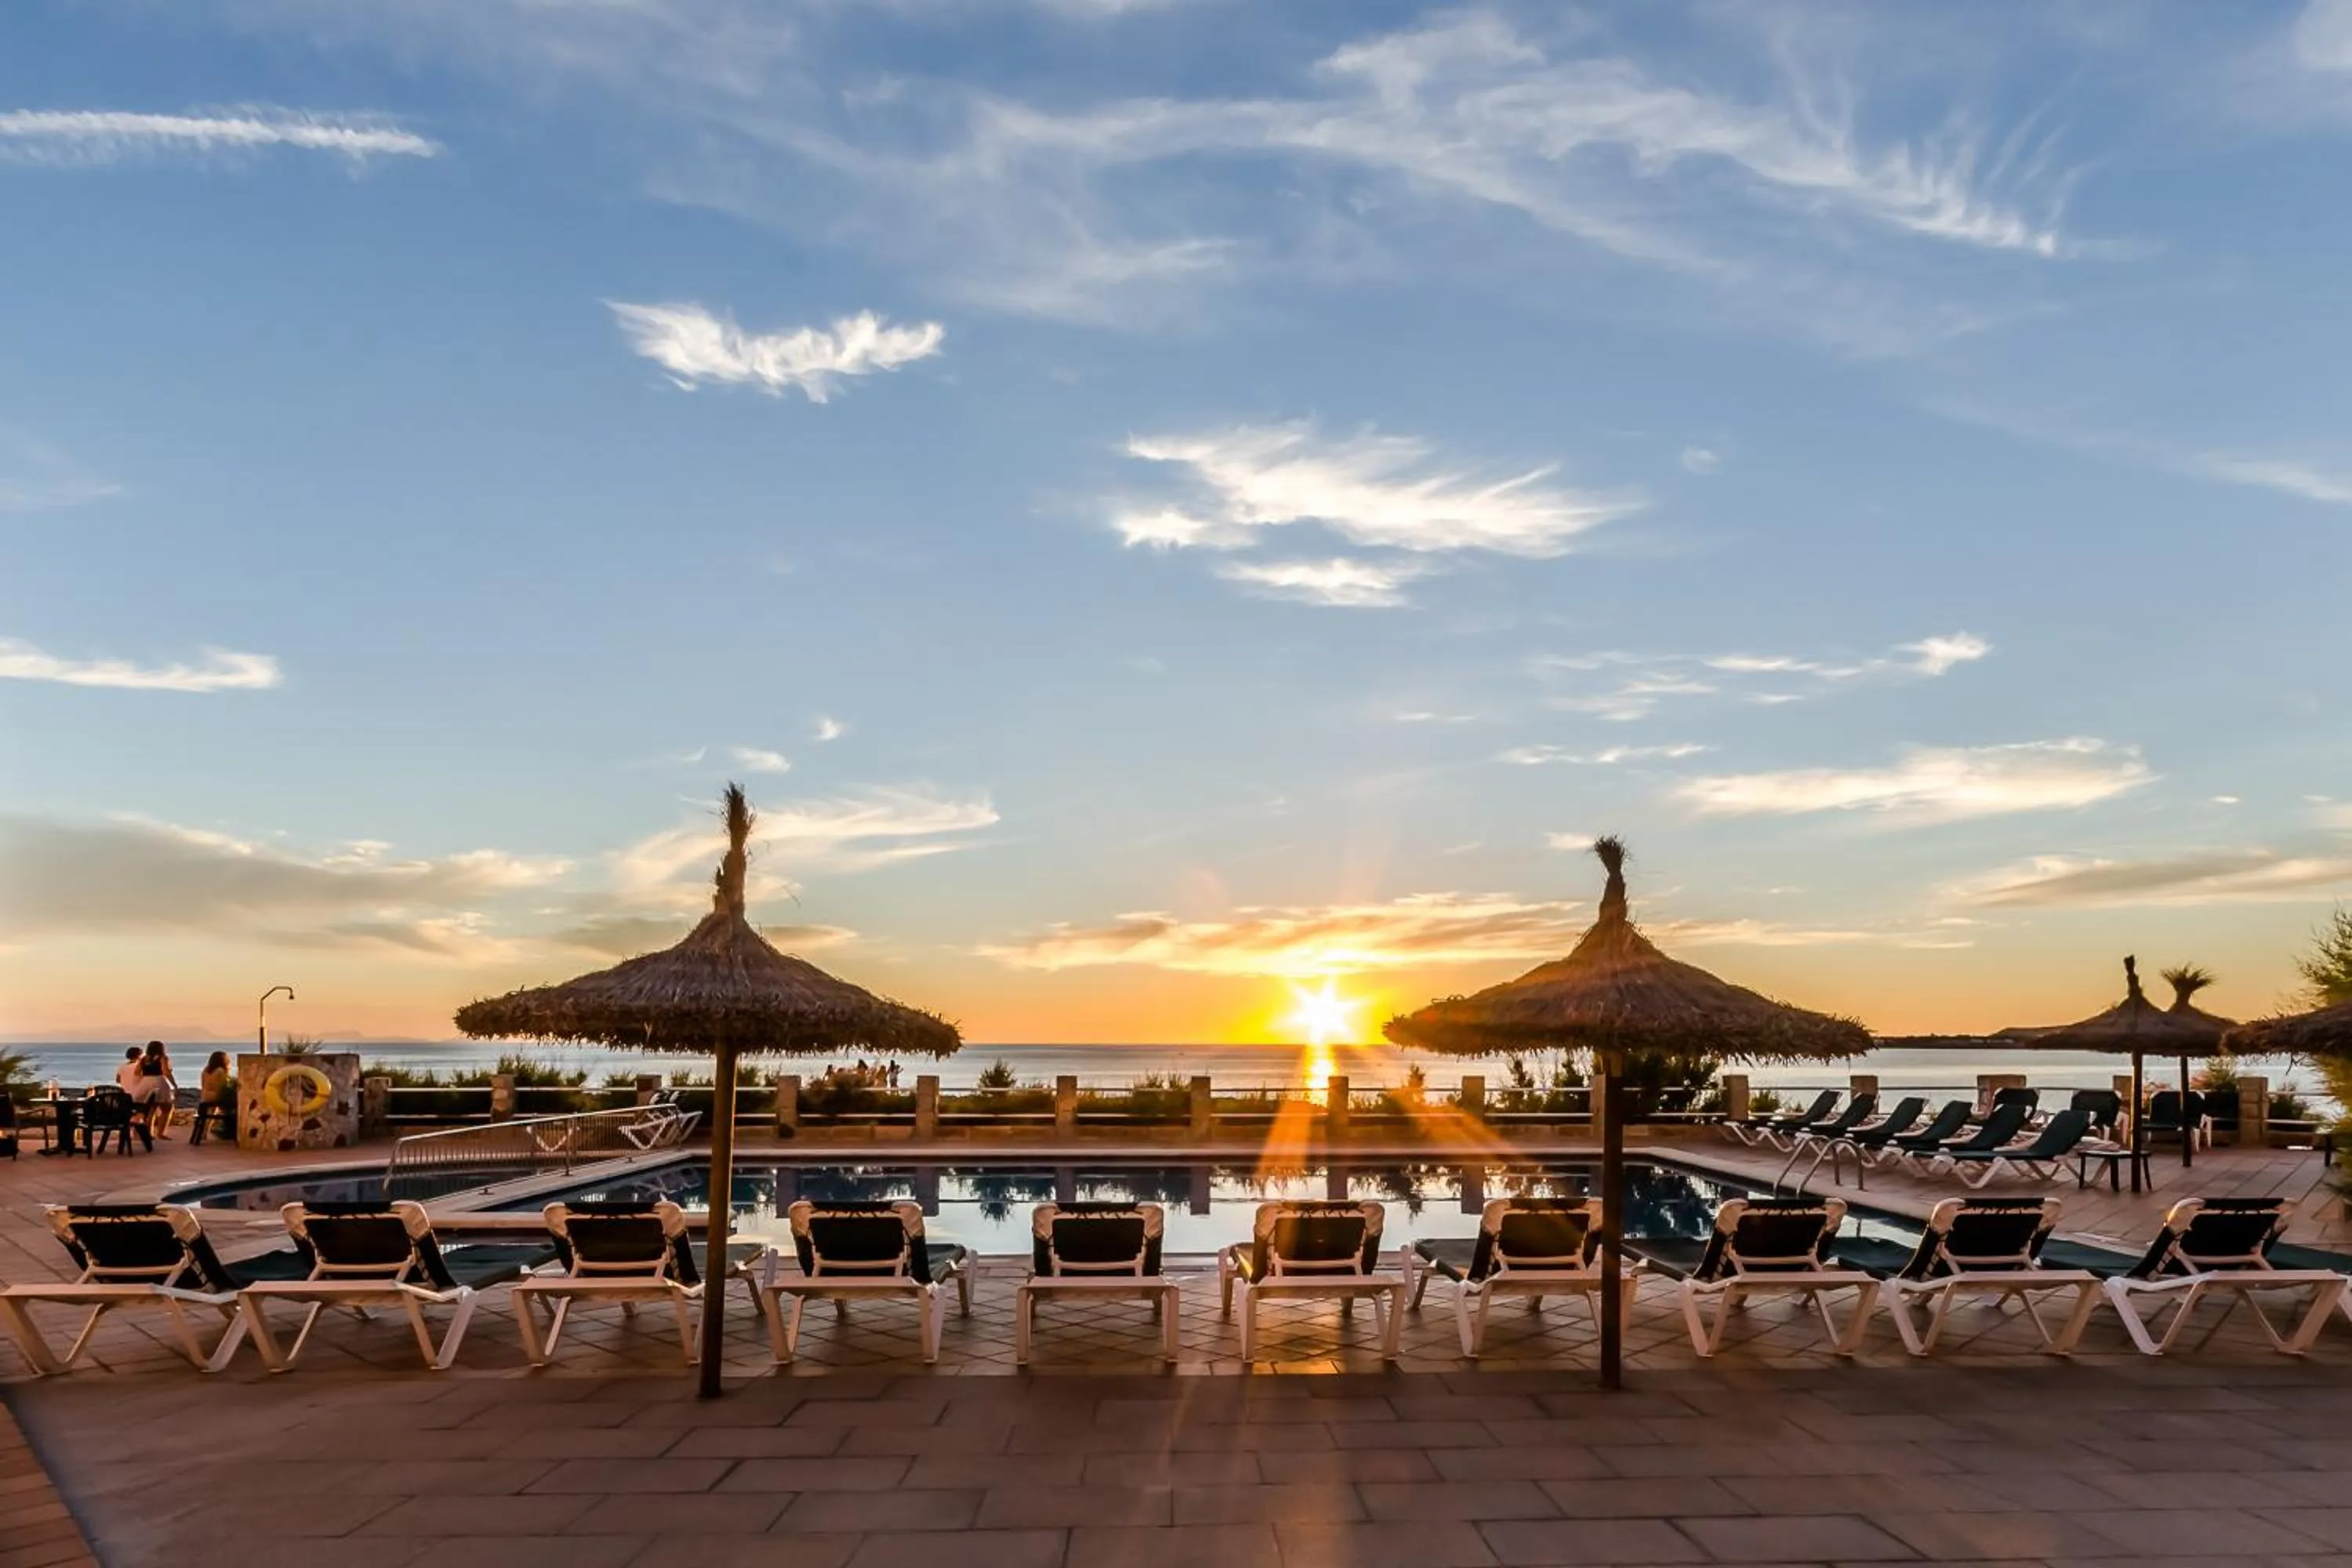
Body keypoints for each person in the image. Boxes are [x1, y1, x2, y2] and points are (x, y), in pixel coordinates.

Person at [133, 1040, 176, 1138]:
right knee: (167, 1108)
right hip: (159, 1082)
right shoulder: (163, 1058)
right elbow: (166, 1072)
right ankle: (161, 1133)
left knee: (151, 1109)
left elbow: (137, 1072)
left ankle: (149, 1133)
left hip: (146, 1083)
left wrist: (145, 1079)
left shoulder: (144, 1059)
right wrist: (174, 1084)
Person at [191, 1051, 234, 1146]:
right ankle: (228, 1130)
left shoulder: (206, 1070)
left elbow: (203, 1085)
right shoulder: (221, 1071)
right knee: (231, 1107)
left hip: (205, 1096)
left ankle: (204, 1132)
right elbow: (224, 1086)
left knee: (211, 1112)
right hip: (215, 1096)